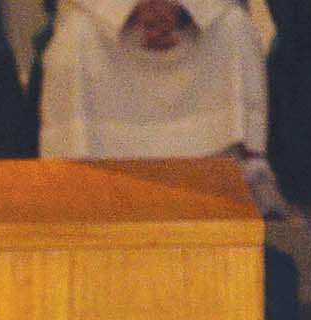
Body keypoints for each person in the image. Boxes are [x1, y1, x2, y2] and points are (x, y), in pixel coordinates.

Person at [33, 0, 286, 214]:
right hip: (102, 20)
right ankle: (79, 182)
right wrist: (130, 9)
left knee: (233, 27)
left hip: (199, 18)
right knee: (78, 37)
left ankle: (243, 173)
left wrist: (184, 6)